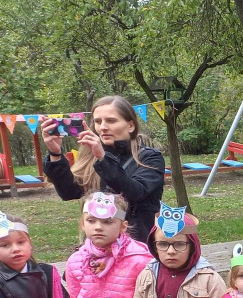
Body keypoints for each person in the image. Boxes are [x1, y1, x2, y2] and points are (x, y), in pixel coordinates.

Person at [41, 96, 164, 242]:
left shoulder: (150, 157)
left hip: (137, 245)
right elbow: (69, 193)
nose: (103, 127)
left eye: (111, 121)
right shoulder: (91, 155)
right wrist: (55, 154)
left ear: (130, 125)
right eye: (98, 121)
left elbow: (136, 192)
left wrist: (103, 158)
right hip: (99, 245)